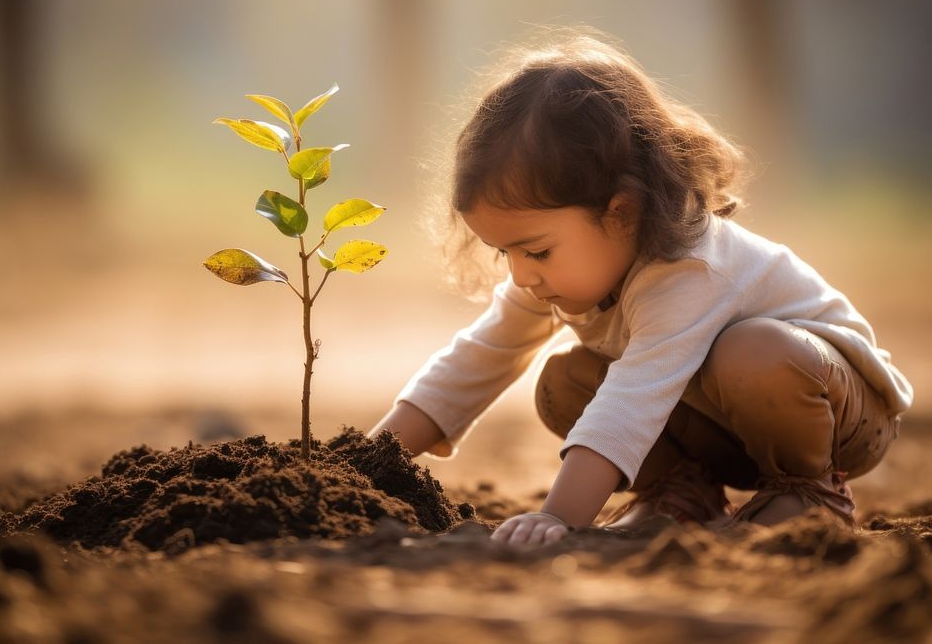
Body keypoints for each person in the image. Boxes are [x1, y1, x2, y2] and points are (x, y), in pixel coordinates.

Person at [366, 30, 913, 548]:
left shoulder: (688, 269)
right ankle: (680, 495)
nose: (520, 274)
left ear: (622, 213)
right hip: (724, 429)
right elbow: (475, 360)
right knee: (565, 380)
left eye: (535, 251)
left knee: (752, 351)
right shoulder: (555, 273)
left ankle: (811, 494)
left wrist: (557, 517)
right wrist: (367, 468)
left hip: (837, 419)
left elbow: (635, 397)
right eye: (503, 252)